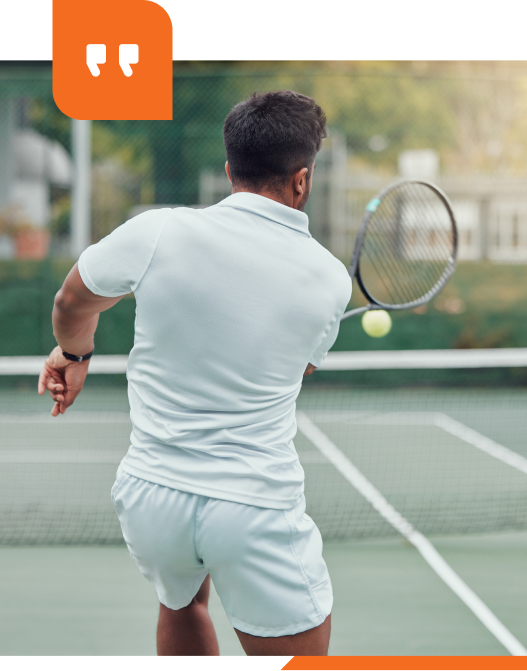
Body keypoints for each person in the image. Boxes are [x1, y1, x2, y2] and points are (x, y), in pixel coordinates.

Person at [38, 90, 351, 656]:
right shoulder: (330, 280)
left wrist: (75, 355)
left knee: (183, 603)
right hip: (253, 505)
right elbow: (295, 369)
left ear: (230, 169)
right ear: (302, 179)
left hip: (152, 497)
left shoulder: (156, 231)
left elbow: (70, 302)